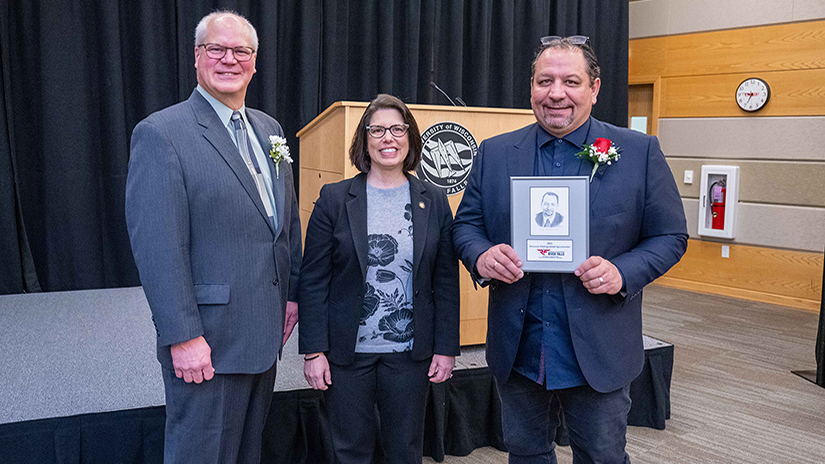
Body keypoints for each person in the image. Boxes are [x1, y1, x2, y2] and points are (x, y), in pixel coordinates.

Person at [452, 36, 687, 463]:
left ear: (594, 89)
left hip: (599, 349)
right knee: (525, 454)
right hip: (520, 348)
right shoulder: (495, 153)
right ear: (531, 89)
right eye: (545, 81)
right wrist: (482, 256)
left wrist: (622, 272)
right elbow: (466, 226)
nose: (556, 93)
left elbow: (671, 236)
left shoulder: (638, 152)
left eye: (570, 81)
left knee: (601, 456)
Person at [125, 11, 301, 464]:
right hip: (207, 341)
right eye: (216, 49)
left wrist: (293, 295)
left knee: (244, 454)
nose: (229, 59)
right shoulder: (162, 133)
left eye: (240, 50)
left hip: (263, 335)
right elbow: (158, 249)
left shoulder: (270, 130)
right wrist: (182, 336)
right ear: (197, 57)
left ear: (255, 62)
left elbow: (283, 226)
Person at [299, 94, 460, 464]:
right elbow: (313, 280)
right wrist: (313, 350)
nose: (389, 138)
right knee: (349, 450)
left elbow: (446, 280)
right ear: (364, 140)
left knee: (404, 450)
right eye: (378, 130)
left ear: (410, 138)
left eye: (398, 129)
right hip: (346, 352)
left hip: (409, 353)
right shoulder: (335, 199)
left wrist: (446, 347)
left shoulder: (433, 199)